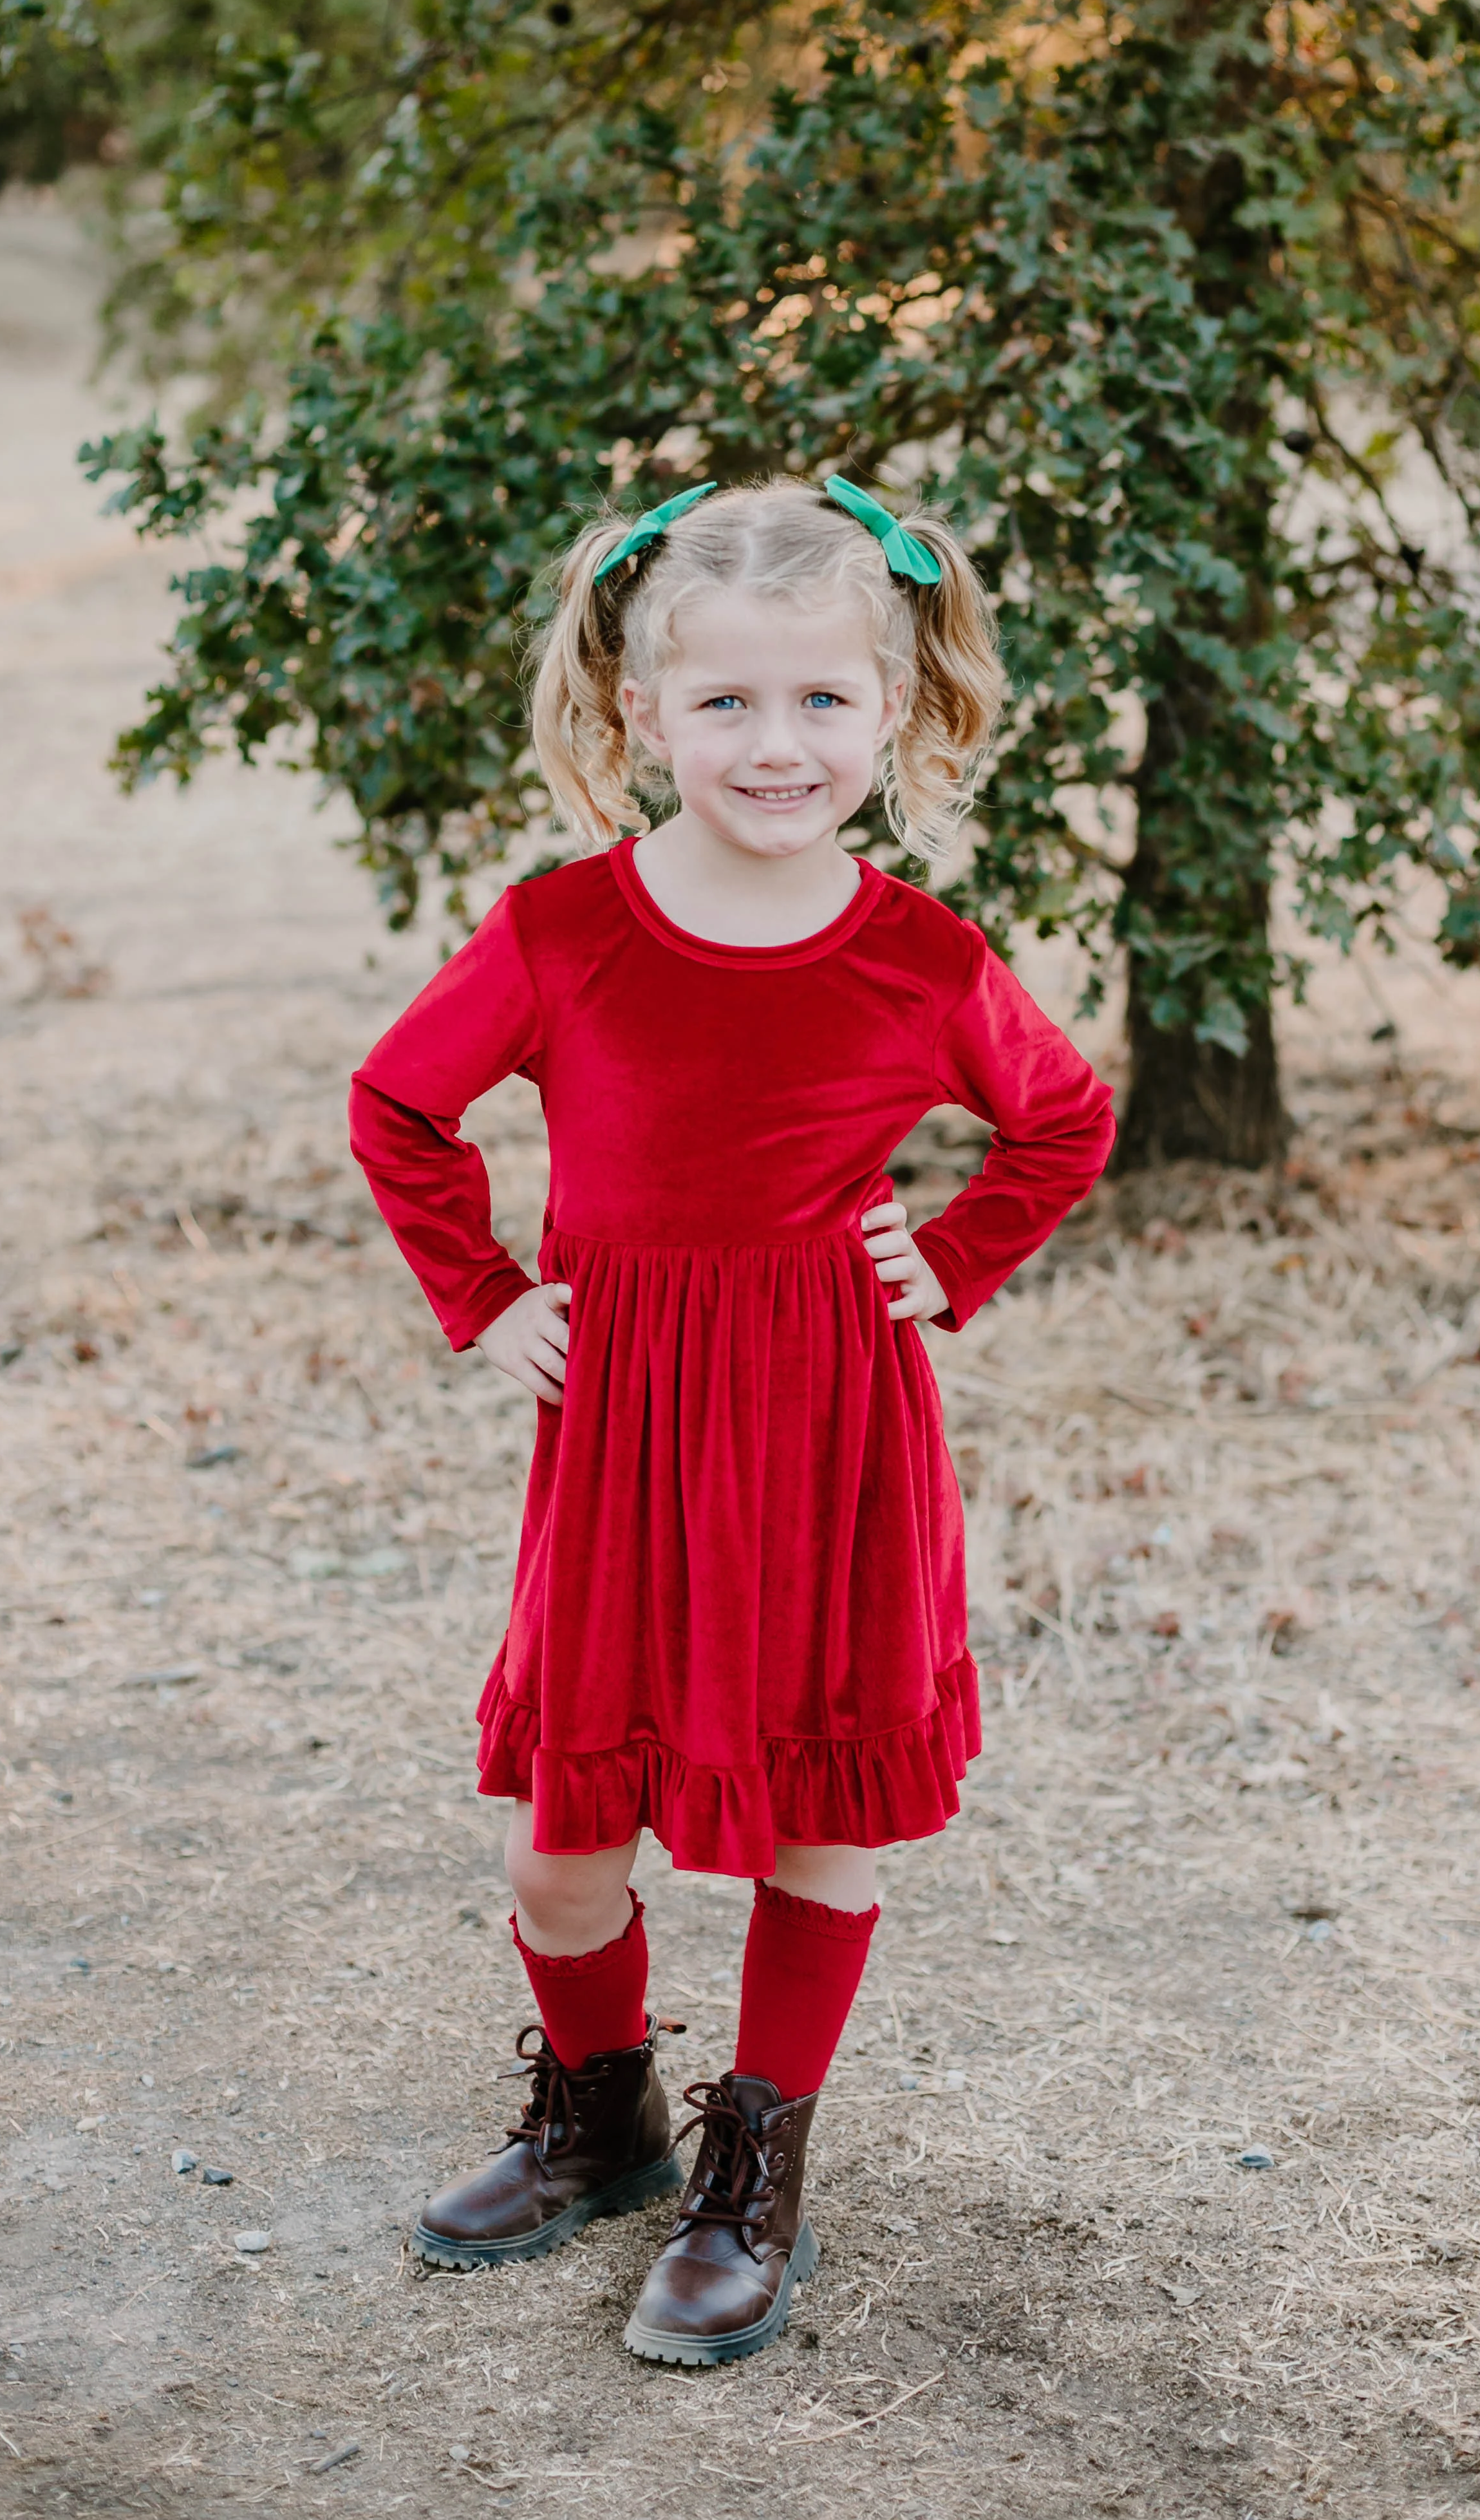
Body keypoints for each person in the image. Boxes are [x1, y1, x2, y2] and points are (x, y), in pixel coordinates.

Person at [349, 475, 1114, 2367]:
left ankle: (751, 2163)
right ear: (637, 713)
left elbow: (1064, 1119)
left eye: (821, 703)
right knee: (560, 1837)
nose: (776, 746)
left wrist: (950, 1256)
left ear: (900, 709)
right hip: (623, 1435)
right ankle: (599, 2112)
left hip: (828, 1434)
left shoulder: (919, 960)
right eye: (727, 705)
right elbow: (398, 1105)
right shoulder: (561, 933)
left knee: (820, 1805)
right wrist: (487, 1292)